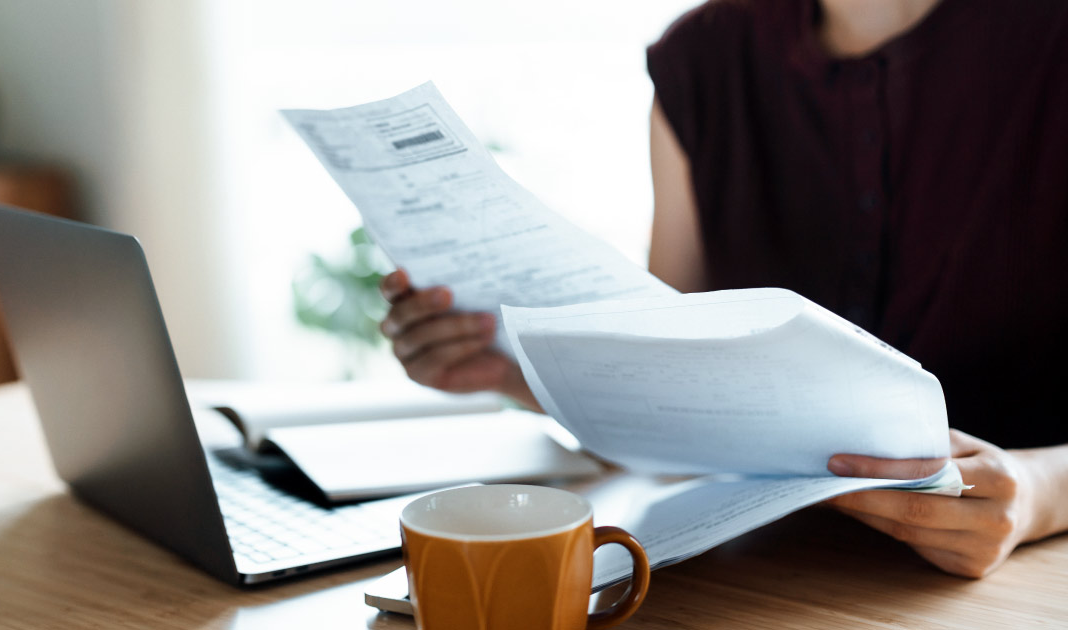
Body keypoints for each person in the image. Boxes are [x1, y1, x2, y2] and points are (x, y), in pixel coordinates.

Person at [378, 0, 1068, 579]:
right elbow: (682, 399)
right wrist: (511, 370)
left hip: (1017, 585)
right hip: (760, 575)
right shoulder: (703, 60)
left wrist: (1040, 492)